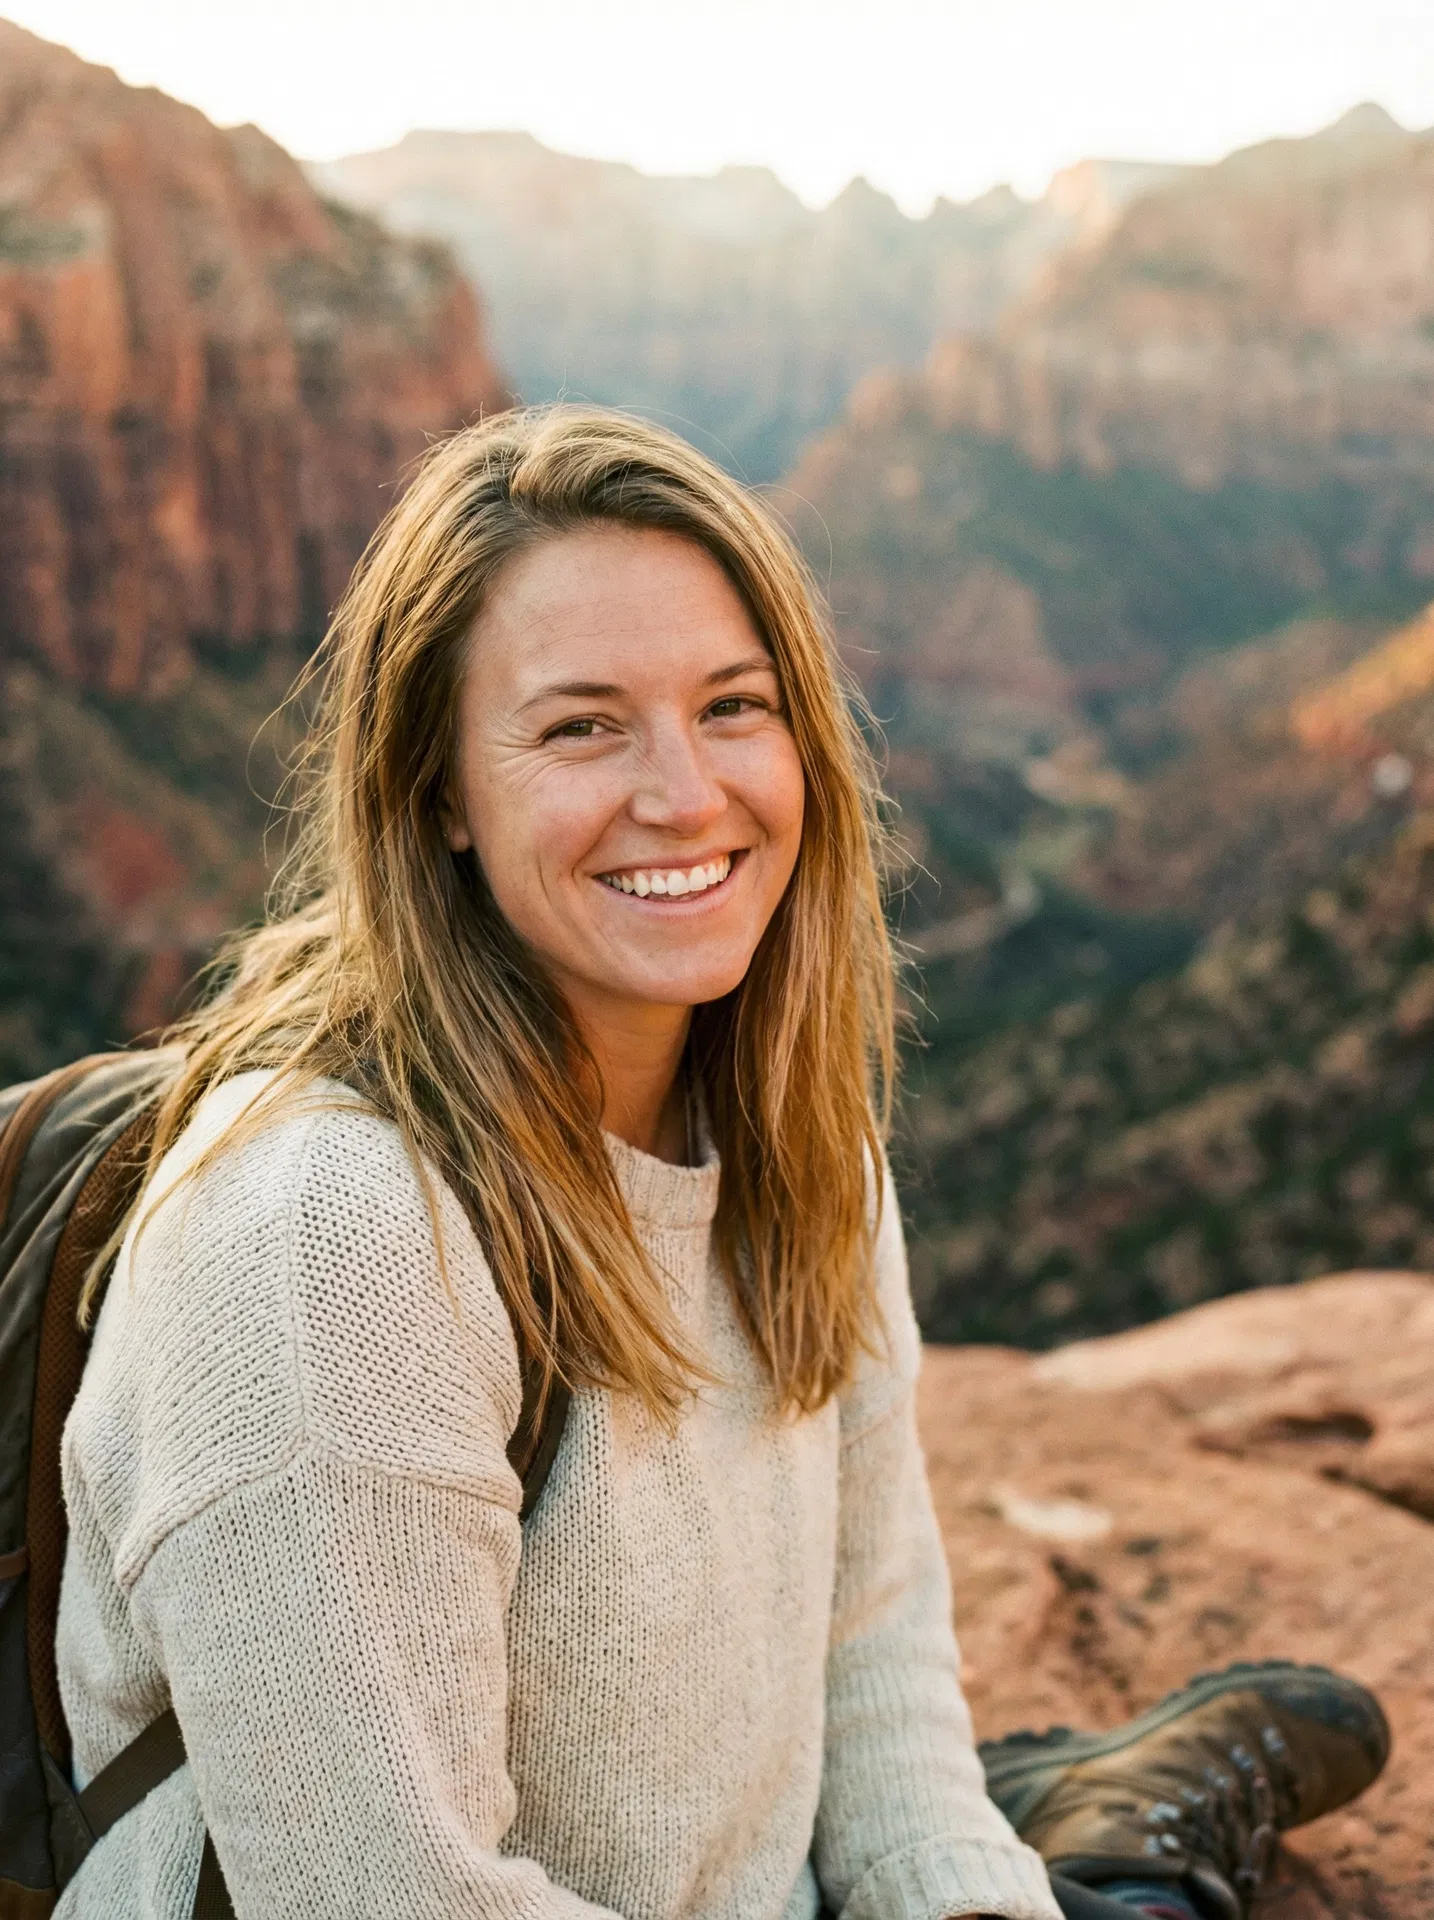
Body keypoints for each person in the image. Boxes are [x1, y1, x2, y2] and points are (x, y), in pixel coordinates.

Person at [55, 407, 1387, 1920]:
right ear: (436, 793)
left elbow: (870, 1662)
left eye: (733, 706)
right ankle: (1110, 1836)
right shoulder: (328, 1241)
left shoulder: (793, 1138)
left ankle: (1074, 1843)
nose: (685, 795)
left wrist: (960, 1898)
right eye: (580, 726)